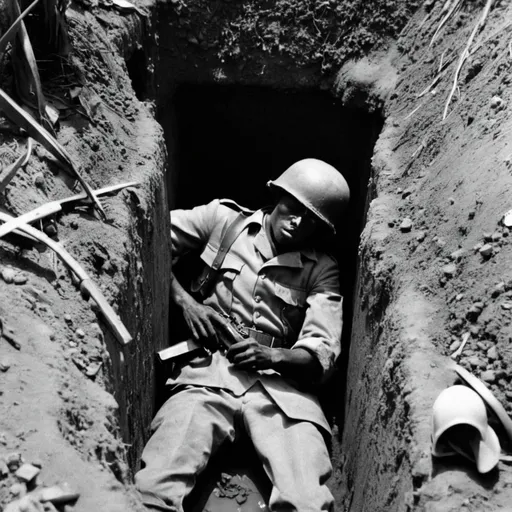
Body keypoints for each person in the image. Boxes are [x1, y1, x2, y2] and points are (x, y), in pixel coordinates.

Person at [135, 158, 350, 512]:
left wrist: (274, 357)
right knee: (158, 482)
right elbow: (148, 235)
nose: (297, 223)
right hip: (209, 373)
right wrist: (186, 302)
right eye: (293, 208)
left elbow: (322, 351)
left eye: (311, 220)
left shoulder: (322, 268)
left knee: (307, 500)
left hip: (282, 392)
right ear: (278, 196)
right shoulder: (223, 220)